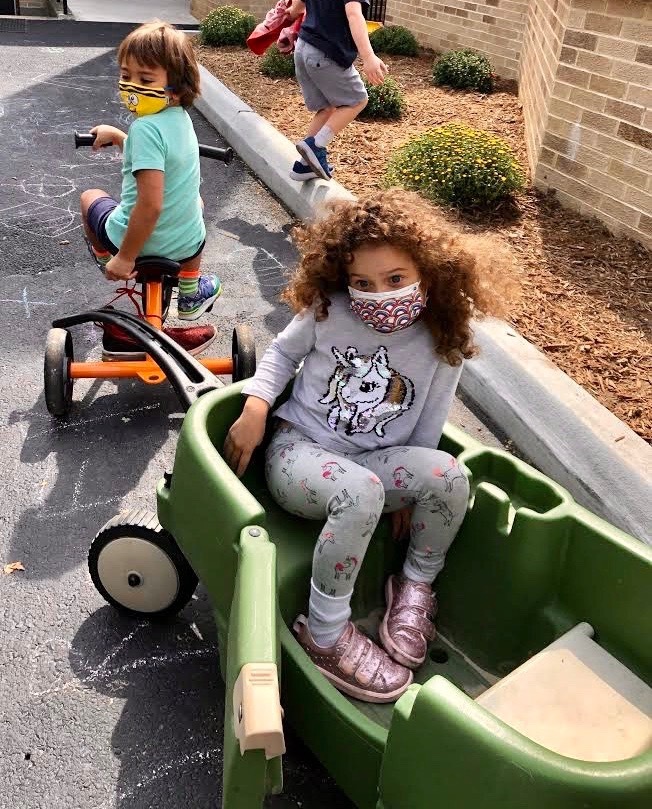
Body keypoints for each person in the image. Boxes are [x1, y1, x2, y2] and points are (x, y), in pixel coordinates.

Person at [223, 189, 516, 703]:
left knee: (449, 475)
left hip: (372, 463)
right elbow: (279, 357)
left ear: (429, 269)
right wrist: (255, 408)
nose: (378, 294)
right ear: (343, 278)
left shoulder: (440, 335)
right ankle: (325, 631)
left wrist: (412, 494)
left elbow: (429, 420)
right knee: (359, 491)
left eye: (395, 280)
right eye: (362, 282)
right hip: (301, 451)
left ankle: (414, 585)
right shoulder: (328, 311)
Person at [80, 20, 221, 360]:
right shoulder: (181, 118)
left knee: (90, 198)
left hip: (136, 242)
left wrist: (125, 255)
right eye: (126, 76)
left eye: (144, 80)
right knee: (194, 203)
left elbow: (150, 204)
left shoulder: (145, 128)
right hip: (186, 243)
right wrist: (118, 137)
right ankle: (189, 290)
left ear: (174, 88)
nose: (131, 86)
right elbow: (161, 163)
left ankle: (111, 263)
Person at [287, 0, 388, 182]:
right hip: (326, 53)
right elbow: (354, 14)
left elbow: (297, 6)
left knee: (326, 108)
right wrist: (368, 56)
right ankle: (317, 145)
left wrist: (290, 13)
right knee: (357, 100)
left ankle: (304, 166)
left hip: (303, 48)